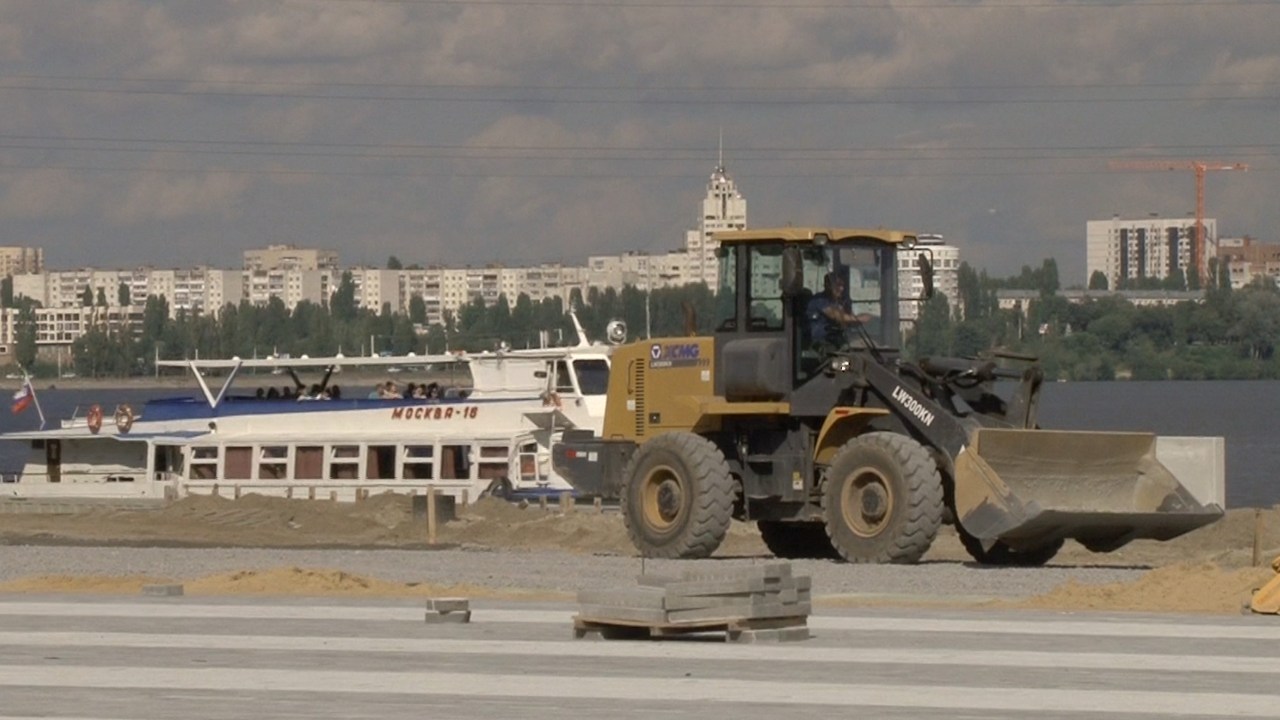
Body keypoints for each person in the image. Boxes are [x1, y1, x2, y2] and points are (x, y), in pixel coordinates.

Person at [807, 272, 872, 349]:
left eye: (842, 285)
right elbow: (837, 316)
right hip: (821, 342)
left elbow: (847, 322)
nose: (841, 289)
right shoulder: (818, 300)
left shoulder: (839, 302)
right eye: (837, 285)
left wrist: (864, 319)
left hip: (837, 339)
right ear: (827, 286)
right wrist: (859, 319)